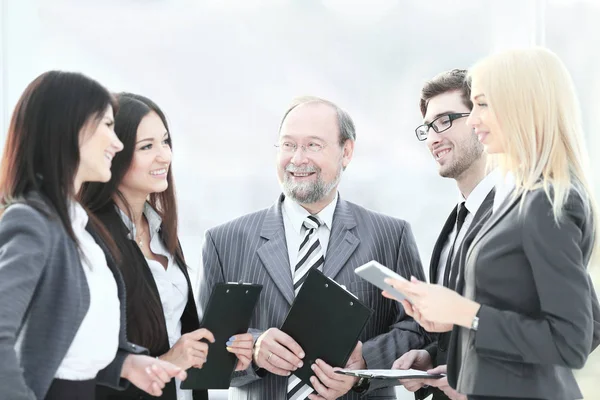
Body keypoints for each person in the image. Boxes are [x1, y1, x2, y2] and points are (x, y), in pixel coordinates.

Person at [385, 47, 600, 400]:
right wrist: (460, 365)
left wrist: (464, 313)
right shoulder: (517, 199)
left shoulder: (548, 200)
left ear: (520, 105)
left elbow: (573, 338)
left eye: (482, 104)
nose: (473, 120)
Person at [198, 96, 427, 400]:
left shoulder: (390, 235)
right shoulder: (224, 241)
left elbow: (418, 330)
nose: (298, 159)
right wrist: (254, 349)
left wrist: (365, 364)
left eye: (313, 145)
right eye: (288, 145)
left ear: (346, 152)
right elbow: (205, 352)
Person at [0, 71, 186, 400]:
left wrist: (124, 365)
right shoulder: (31, 221)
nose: (116, 144)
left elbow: (76, 346)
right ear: (70, 129)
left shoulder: (81, 229)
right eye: (106, 126)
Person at [80, 93, 254, 400]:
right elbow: (84, 363)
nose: (164, 156)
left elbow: (175, 332)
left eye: (165, 141)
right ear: (113, 154)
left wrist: (218, 356)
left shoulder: (160, 230)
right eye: (147, 147)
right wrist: (166, 363)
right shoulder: (92, 238)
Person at [393, 69, 495, 400]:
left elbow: (577, 330)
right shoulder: (453, 225)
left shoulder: (522, 211)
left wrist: (479, 382)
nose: (434, 137)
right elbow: (460, 334)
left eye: (446, 120)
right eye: (428, 128)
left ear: (482, 118)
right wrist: (432, 357)